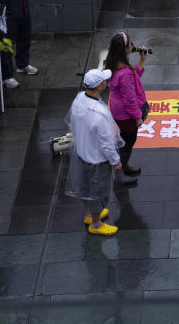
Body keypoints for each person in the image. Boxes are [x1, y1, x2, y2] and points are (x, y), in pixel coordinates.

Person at [65, 69, 124, 235]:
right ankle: (97, 225)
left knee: (85, 187)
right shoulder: (99, 115)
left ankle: (89, 215)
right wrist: (115, 161)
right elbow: (106, 143)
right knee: (98, 192)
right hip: (97, 159)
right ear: (100, 86)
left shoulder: (79, 99)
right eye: (104, 80)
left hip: (82, 152)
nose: (106, 82)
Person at [105, 32, 147, 183]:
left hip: (118, 112)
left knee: (122, 140)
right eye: (130, 43)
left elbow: (133, 80)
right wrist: (138, 118)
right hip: (127, 115)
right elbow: (129, 100)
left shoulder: (114, 63)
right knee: (127, 142)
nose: (132, 45)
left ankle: (122, 166)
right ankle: (121, 172)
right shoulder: (124, 72)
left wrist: (141, 61)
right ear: (124, 49)